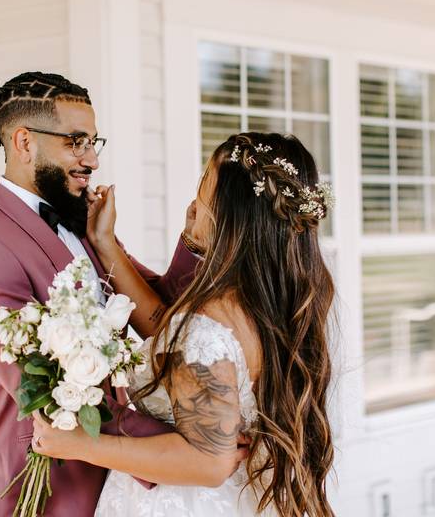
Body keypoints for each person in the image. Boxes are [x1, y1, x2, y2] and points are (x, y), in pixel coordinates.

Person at [0, 71, 242, 516]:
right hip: (43, 487)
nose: (92, 160)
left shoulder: (84, 225)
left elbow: (164, 312)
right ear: (24, 142)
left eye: (93, 143)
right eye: (75, 142)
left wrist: (195, 236)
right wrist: (187, 448)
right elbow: (47, 392)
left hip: (114, 478)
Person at [31, 132, 337, 517]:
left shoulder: (206, 328)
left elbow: (208, 463)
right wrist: (104, 241)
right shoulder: (271, 302)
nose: (194, 204)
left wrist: (77, 444)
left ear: (230, 215)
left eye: (204, 189)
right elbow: (168, 329)